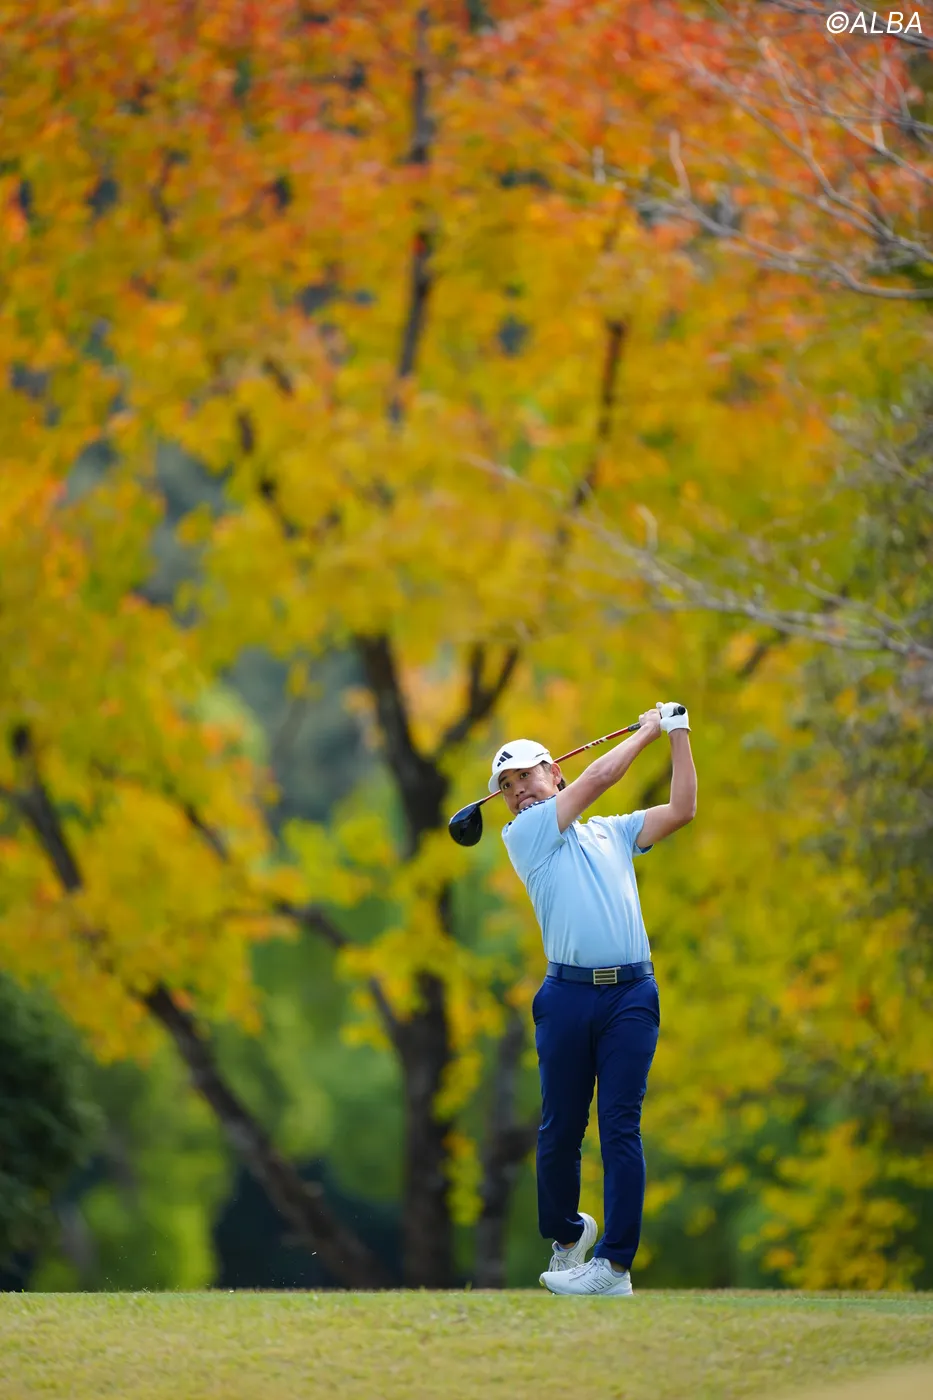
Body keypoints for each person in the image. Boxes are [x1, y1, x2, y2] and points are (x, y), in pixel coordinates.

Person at [491, 700, 696, 1296]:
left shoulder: (613, 832)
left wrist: (677, 733)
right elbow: (601, 776)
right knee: (559, 1128)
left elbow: (682, 809)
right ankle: (566, 1234)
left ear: (553, 772)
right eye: (506, 787)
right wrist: (647, 732)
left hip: (631, 995)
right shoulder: (524, 835)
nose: (518, 792)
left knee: (620, 1127)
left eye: (526, 777)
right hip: (566, 998)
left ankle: (614, 1267)